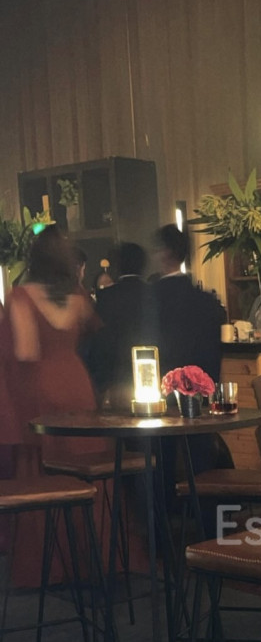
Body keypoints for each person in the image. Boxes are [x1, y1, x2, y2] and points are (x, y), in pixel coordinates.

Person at [0, 225, 108, 585]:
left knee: (43, 469)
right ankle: (94, 554)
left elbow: (25, 351)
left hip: (42, 385)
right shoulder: (77, 296)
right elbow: (91, 332)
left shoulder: (21, 297)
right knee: (85, 466)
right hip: (77, 384)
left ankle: (52, 563)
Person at [83, 242, 159, 408]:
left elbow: (100, 339)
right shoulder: (154, 294)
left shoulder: (107, 297)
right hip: (152, 373)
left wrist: (101, 381)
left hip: (116, 378)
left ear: (118, 265)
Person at [152, 224, 225, 381]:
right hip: (202, 385)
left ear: (165, 253)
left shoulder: (152, 300)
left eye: (156, 249)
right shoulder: (207, 301)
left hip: (164, 384)